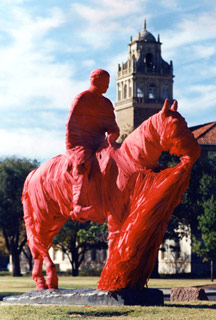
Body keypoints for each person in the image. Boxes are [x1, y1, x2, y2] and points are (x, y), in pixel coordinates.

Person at [65, 69, 120, 219]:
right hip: (80, 143)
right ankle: (78, 204)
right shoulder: (82, 98)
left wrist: (113, 135)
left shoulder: (107, 104)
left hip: (100, 143)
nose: (106, 87)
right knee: (83, 162)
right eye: (103, 83)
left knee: (121, 157)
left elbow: (112, 126)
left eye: (108, 84)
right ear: (94, 81)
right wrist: (73, 149)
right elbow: (71, 126)